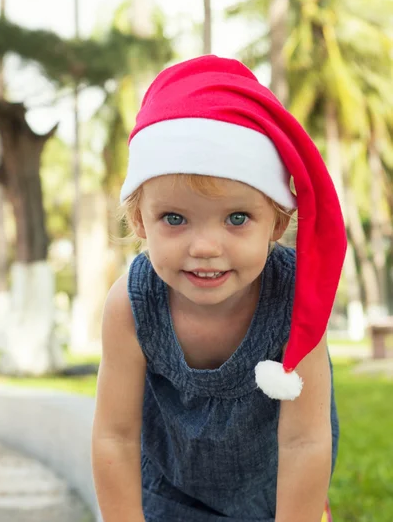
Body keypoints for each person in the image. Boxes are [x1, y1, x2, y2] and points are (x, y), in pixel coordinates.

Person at [91, 55, 346, 522]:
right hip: (168, 497)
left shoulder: (295, 299)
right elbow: (116, 436)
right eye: (174, 218)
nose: (205, 247)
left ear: (277, 221)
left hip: (278, 499)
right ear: (139, 220)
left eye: (236, 218)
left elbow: (305, 440)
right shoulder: (131, 305)